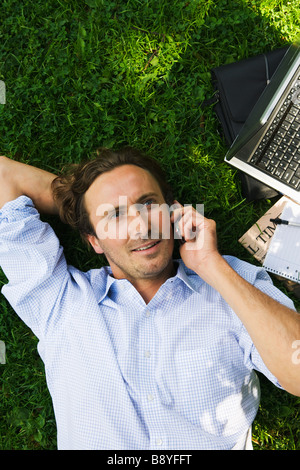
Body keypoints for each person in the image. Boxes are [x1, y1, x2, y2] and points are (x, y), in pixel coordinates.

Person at [0, 147, 299, 451]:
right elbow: (4, 175)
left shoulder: (233, 285)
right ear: (93, 241)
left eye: (148, 204)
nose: (141, 226)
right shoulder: (59, 301)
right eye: (115, 215)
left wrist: (210, 264)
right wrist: (79, 204)